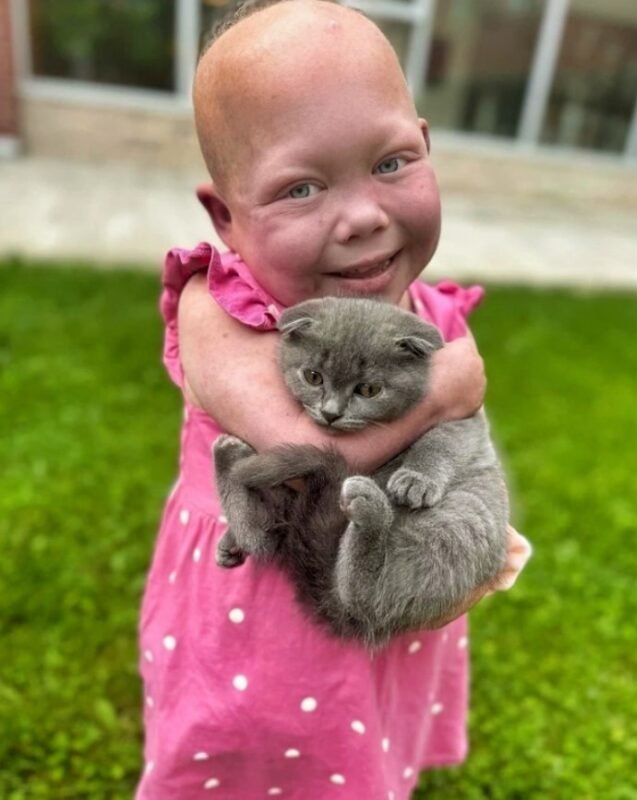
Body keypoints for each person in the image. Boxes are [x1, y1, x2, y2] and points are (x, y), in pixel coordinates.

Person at [136, 1, 531, 798]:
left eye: (389, 163)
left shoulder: (422, 315)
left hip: (380, 588)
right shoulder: (219, 308)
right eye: (301, 187)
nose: (362, 217)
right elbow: (303, 451)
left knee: (361, 753)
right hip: (257, 622)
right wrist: (436, 399)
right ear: (226, 216)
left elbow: (459, 453)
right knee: (244, 758)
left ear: (425, 146)